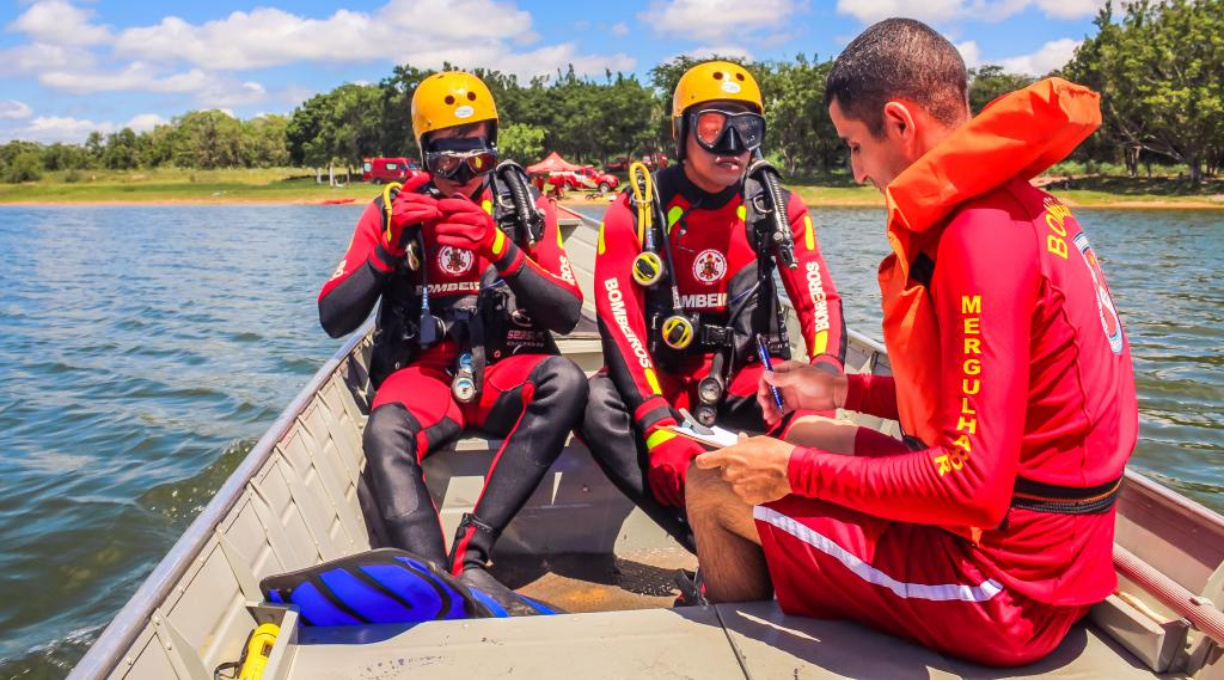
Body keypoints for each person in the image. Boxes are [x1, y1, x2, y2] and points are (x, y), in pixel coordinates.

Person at [685, 18, 1138, 666]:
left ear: (899, 123)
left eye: (854, 145)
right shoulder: (1020, 205)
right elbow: (987, 404)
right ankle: (788, 565)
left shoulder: (975, 237)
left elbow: (972, 486)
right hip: (1056, 550)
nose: (856, 168)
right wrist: (843, 388)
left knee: (713, 484)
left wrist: (788, 472)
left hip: (1005, 590)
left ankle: (737, 637)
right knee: (808, 428)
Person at [317, 71, 587, 613]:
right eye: (446, 162)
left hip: (504, 369)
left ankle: (472, 554)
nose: (463, 176)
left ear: (494, 150)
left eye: (477, 160)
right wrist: (388, 251)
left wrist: (500, 250)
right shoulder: (390, 212)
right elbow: (333, 316)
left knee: (567, 382)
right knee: (385, 429)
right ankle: (437, 581)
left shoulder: (524, 212)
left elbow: (565, 314)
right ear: (423, 155)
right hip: (427, 375)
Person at [579, 60, 846, 549]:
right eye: (712, 129)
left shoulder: (779, 210)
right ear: (682, 134)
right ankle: (706, 538)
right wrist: (656, 423)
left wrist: (824, 372)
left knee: (818, 421)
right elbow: (621, 323)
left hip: (748, 380)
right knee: (595, 403)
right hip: (665, 382)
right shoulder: (634, 212)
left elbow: (819, 300)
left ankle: (795, 539)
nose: (731, 146)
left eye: (746, 130)